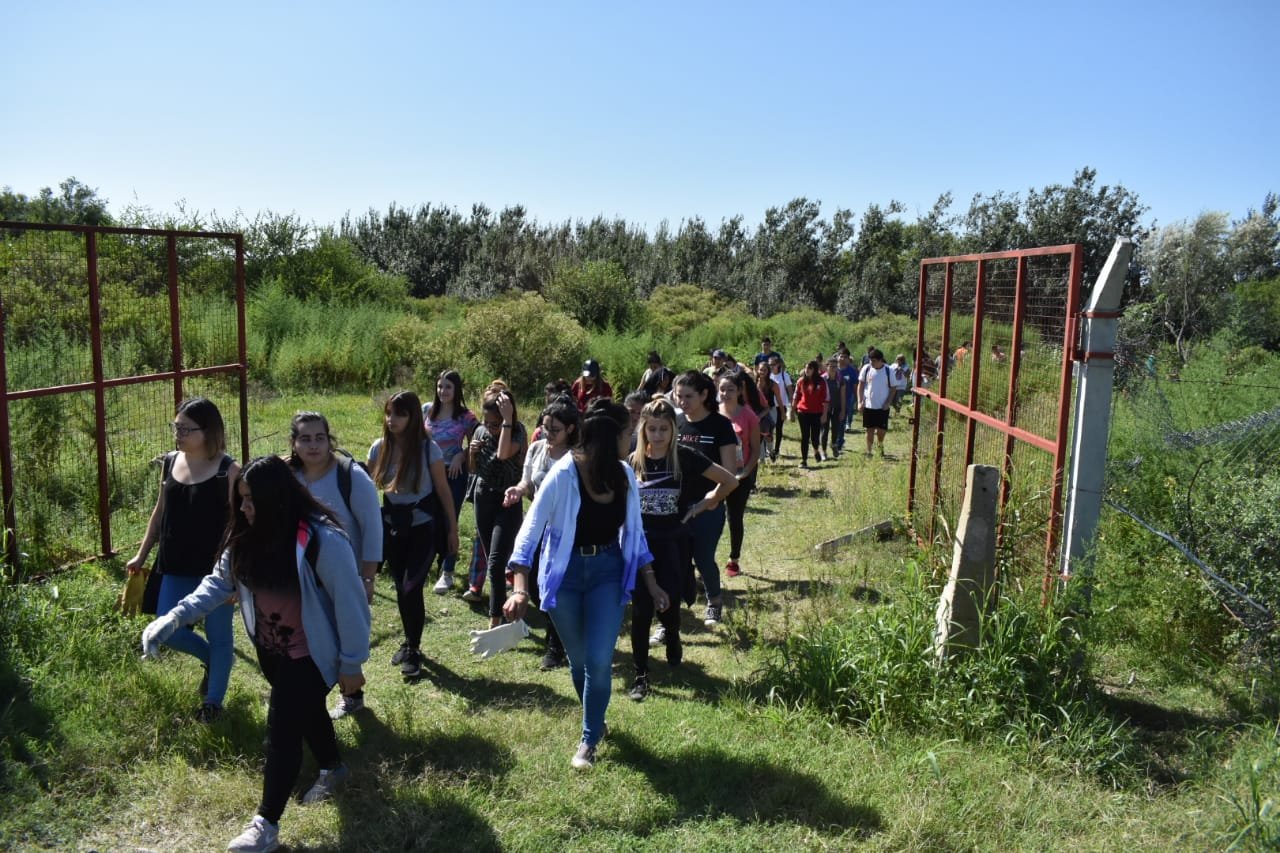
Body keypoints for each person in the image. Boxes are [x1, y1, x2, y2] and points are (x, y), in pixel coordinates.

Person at [141, 455, 370, 853]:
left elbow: (352, 607)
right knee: (307, 711)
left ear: (276, 499)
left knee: (281, 731)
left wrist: (351, 664)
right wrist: (173, 620)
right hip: (272, 652)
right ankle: (333, 767)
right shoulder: (244, 536)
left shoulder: (321, 541)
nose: (243, 508)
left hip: (313, 654)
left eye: (251, 500)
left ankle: (266, 824)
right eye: (241, 500)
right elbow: (216, 585)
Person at [504, 399, 656, 770]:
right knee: (579, 660)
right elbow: (530, 531)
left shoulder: (623, 476)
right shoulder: (564, 474)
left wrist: (652, 581)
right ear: (612, 437)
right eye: (628, 433)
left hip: (606, 570)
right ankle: (596, 718)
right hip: (563, 574)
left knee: (600, 660)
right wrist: (520, 587)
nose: (632, 440)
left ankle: (588, 739)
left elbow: (636, 535)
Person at [127, 397, 239, 723]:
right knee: (167, 627)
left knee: (220, 637)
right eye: (176, 427)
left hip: (216, 572)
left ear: (209, 431)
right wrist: (142, 552)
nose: (178, 434)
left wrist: (236, 574)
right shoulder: (170, 461)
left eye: (186, 429)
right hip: (173, 561)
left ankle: (213, 703)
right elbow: (160, 512)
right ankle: (216, 662)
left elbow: (240, 523)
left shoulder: (228, 471)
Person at [629, 396, 737, 700]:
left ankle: (673, 636)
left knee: (670, 605)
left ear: (673, 430)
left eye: (664, 429)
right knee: (641, 609)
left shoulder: (685, 456)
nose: (658, 435)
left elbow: (729, 480)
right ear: (644, 430)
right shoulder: (633, 461)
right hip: (642, 543)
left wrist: (704, 504)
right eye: (652, 429)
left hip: (674, 542)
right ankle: (641, 675)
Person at [286, 411, 382, 720]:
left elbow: (372, 528)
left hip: (344, 575)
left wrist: (367, 578)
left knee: (344, 632)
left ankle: (351, 694)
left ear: (330, 440)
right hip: (304, 576)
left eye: (320, 438)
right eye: (305, 438)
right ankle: (313, 696)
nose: (313, 445)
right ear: (294, 443)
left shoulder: (350, 476)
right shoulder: (289, 477)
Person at [369, 391, 458, 679]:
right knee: (399, 586)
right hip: (394, 527)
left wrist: (452, 530)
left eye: (400, 414)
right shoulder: (377, 448)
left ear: (412, 417)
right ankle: (409, 641)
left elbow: (444, 491)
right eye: (389, 413)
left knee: (411, 587)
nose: (392, 420)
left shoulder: (427, 449)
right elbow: (368, 492)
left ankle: (414, 649)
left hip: (423, 527)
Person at [502, 398, 580, 670]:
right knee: (534, 587)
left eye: (555, 429)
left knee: (556, 588)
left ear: (570, 429)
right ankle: (560, 636)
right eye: (545, 427)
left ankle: (556, 647)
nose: (548, 433)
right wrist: (518, 490)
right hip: (535, 529)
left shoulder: (576, 458)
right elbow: (527, 481)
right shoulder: (536, 449)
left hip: (563, 534)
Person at [672, 370, 739, 625]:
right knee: (675, 560)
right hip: (675, 507)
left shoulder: (720, 426)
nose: (682, 401)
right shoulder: (675, 423)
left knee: (702, 557)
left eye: (688, 396)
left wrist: (706, 503)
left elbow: (730, 475)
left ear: (704, 394)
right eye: (678, 396)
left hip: (709, 506)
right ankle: (671, 613)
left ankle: (714, 601)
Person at [466, 380, 527, 626]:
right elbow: (474, 470)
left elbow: (503, 454)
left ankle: (495, 618)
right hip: (484, 495)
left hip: (508, 498)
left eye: (494, 423)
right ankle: (499, 611)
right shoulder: (481, 431)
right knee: (490, 554)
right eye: (486, 423)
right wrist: (471, 453)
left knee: (497, 559)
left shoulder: (517, 431)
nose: (489, 428)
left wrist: (507, 421)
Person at [423, 370, 479, 594]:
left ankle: (448, 572)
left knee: (450, 519)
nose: (442, 391)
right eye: (440, 387)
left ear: (456, 390)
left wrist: (462, 455)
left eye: (447, 387)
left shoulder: (466, 416)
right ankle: (429, 562)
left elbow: (480, 441)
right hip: (428, 473)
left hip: (454, 474)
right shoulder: (427, 410)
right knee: (428, 517)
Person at [718, 371, 761, 579]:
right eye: (722, 389)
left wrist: (745, 473)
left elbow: (755, 449)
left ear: (739, 391)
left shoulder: (748, 415)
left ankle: (733, 560)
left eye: (730, 390)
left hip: (739, 477)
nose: (725, 393)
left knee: (734, 517)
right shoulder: (713, 414)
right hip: (714, 475)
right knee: (711, 517)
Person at [790, 359, 829, 468]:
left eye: (810, 368)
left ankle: (816, 450)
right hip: (803, 412)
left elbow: (826, 399)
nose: (807, 370)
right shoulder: (801, 381)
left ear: (815, 370)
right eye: (806, 368)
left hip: (817, 412)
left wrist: (824, 414)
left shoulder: (821, 382)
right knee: (805, 436)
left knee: (815, 437)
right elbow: (795, 397)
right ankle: (804, 460)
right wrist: (792, 412)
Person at [857, 349, 894, 457]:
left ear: (880, 360)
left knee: (881, 431)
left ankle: (880, 446)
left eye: (873, 360)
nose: (871, 363)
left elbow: (893, 388)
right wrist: (859, 401)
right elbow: (861, 385)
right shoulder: (867, 368)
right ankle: (869, 451)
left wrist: (888, 402)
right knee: (869, 430)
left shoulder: (888, 370)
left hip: (883, 406)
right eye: (870, 360)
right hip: (869, 405)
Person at [753, 360, 780, 462]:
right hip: (757, 410)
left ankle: (771, 450)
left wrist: (782, 412)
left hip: (770, 410)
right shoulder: (754, 383)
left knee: (768, 434)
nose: (762, 372)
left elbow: (779, 399)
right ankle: (762, 458)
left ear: (768, 371)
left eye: (764, 370)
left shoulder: (773, 384)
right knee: (758, 434)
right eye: (760, 370)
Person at [820, 356, 846, 460]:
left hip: (836, 408)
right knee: (824, 431)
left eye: (836, 366)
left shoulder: (840, 379)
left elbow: (843, 396)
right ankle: (824, 452)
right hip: (824, 409)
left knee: (835, 429)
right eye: (831, 366)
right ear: (827, 367)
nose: (834, 368)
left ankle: (834, 444)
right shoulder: (822, 379)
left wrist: (843, 411)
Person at [768, 354, 792, 461]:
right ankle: (770, 450)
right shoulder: (767, 376)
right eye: (770, 365)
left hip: (781, 405)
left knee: (778, 428)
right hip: (770, 406)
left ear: (778, 364)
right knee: (768, 428)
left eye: (773, 364)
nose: (771, 367)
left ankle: (776, 449)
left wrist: (791, 406)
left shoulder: (784, 375)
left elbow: (790, 391)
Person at [838, 351, 859, 434]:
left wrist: (856, 397)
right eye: (841, 356)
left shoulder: (852, 371)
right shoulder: (834, 369)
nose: (843, 359)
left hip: (849, 396)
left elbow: (855, 385)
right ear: (838, 357)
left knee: (849, 411)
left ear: (848, 359)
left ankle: (848, 424)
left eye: (845, 357)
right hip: (836, 397)